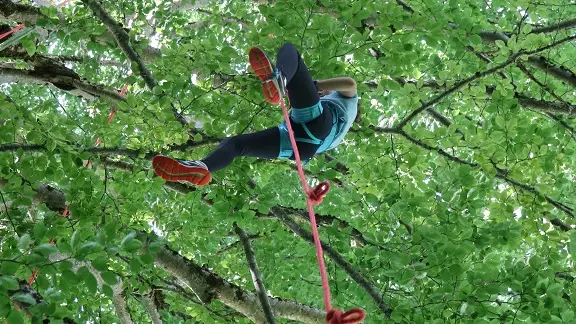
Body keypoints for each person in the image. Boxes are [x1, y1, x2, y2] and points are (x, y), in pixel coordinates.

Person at [152, 43, 358, 186]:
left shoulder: (347, 104)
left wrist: (317, 86)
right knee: (236, 144)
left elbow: (350, 84)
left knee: (290, 51)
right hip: (301, 145)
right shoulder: (334, 125)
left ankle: (280, 78)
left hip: (313, 127)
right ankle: (203, 166)